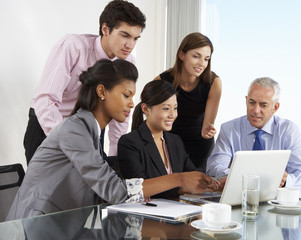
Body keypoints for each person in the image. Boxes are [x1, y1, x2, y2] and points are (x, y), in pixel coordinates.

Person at [6, 59, 216, 221]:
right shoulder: (75, 129)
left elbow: (100, 192)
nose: (132, 104)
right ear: (101, 92)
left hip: (64, 224)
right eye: (126, 95)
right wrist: (178, 179)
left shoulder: (91, 131)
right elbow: (113, 190)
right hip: (33, 226)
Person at [24, 0, 146, 164]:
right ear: (105, 29)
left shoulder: (128, 62)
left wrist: (117, 158)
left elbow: (120, 111)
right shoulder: (73, 47)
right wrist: (67, 142)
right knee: (46, 187)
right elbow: (45, 100)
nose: (130, 45)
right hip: (48, 124)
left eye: (135, 38)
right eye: (125, 35)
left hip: (89, 128)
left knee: (96, 184)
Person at [117, 80, 219, 198]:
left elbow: (192, 175)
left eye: (175, 108)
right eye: (166, 108)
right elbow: (140, 189)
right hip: (147, 213)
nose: (172, 115)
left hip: (178, 211)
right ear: (145, 109)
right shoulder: (129, 143)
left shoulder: (175, 141)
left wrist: (214, 183)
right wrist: (181, 185)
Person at [206, 77, 301, 189]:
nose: (256, 110)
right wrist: (243, 178)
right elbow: (214, 167)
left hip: (276, 200)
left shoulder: (289, 131)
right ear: (246, 101)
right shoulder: (229, 129)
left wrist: (286, 181)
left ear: (275, 107)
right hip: (239, 196)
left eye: (263, 105)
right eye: (252, 103)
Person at [154, 32, 222, 172]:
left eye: (206, 59)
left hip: (201, 148)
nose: (201, 64)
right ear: (182, 55)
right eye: (196, 56)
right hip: (170, 146)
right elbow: (154, 121)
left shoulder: (214, 83)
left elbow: (207, 125)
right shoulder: (161, 81)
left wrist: (208, 130)